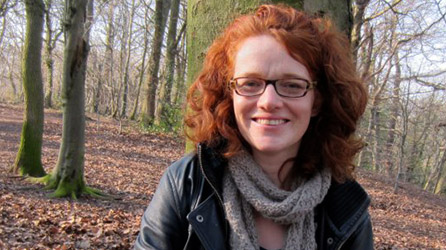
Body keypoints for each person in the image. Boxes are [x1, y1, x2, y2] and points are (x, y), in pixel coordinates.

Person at [135, 4, 372, 250]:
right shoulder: (186, 184)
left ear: (317, 101)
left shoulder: (347, 207)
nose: (269, 101)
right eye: (250, 84)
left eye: (292, 85)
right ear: (230, 95)